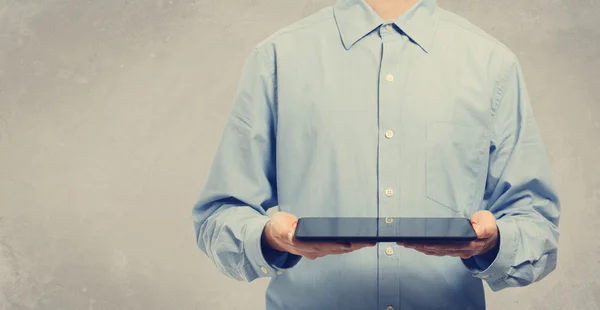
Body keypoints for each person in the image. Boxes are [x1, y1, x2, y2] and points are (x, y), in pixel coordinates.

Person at [192, 0, 561, 309]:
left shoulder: (492, 64)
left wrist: (493, 240)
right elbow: (218, 217)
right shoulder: (276, 59)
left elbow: (536, 225)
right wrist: (271, 238)